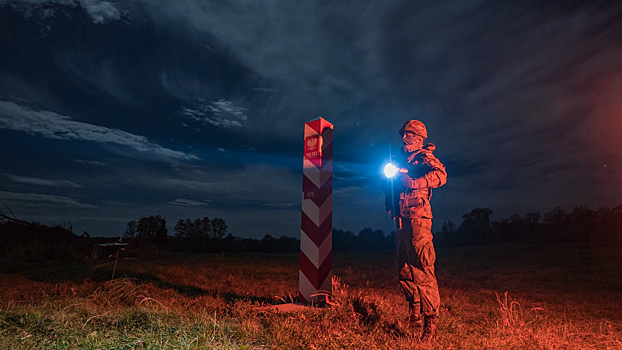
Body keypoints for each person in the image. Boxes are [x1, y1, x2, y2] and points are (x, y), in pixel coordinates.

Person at [384, 119, 447, 343]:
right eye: (403, 134)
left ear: (419, 137)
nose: (404, 138)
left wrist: (416, 182)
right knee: (404, 270)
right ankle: (415, 312)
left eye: (409, 135)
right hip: (402, 220)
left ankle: (430, 325)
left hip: (419, 219)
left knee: (422, 269)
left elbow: (441, 175)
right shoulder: (400, 159)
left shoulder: (424, 157)